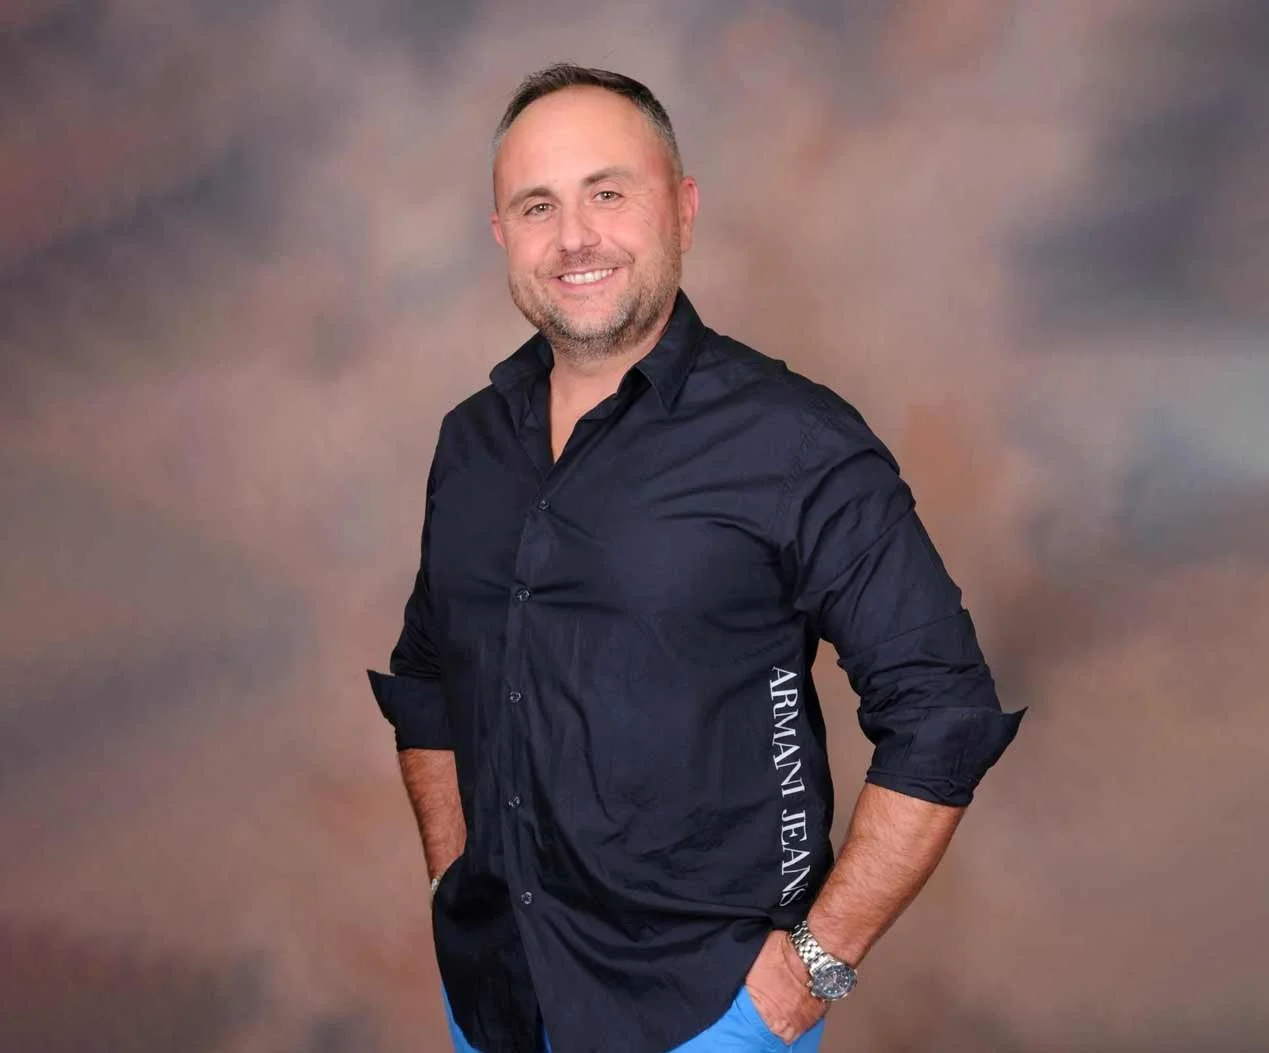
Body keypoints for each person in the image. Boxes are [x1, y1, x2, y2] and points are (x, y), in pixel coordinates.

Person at [368, 63, 1024, 1053]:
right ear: (501, 233)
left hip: (706, 1021)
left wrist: (807, 974)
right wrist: (452, 879)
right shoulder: (470, 443)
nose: (574, 235)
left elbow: (943, 712)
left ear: (682, 208)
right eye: (537, 205)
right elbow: (427, 679)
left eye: (608, 193)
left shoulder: (793, 441)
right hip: (494, 1007)